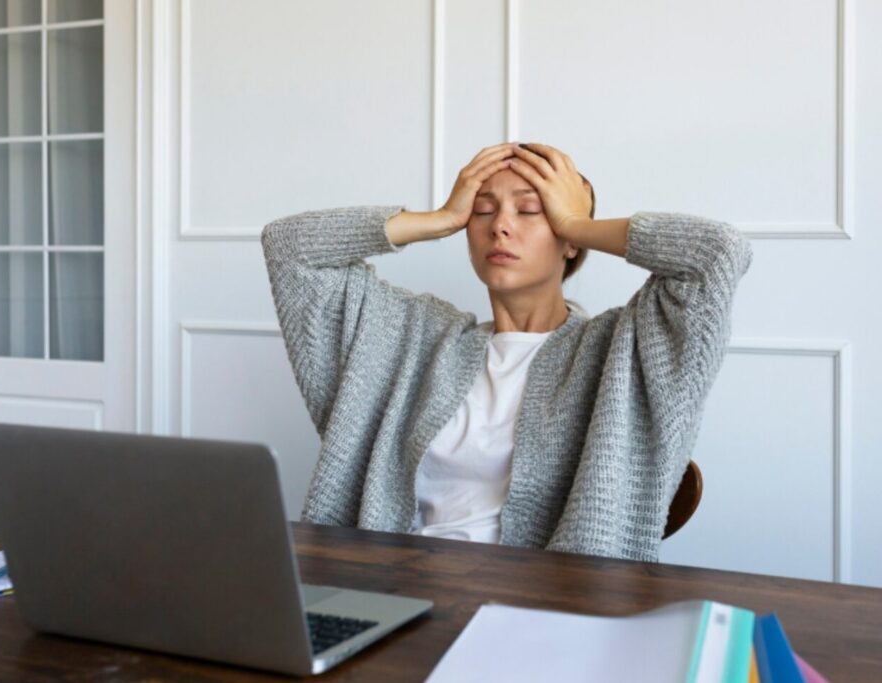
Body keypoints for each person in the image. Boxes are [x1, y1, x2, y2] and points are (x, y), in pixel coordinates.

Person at [261, 142, 753, 562]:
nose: (500, 226)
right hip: (390, 596)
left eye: (530, 210)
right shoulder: (412, 341)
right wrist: (438, 218)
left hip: (543, 619)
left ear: (569, 241)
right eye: (482, 209)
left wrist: (575, 224)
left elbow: (716, 253)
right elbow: (289, 248)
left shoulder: (624, 351)